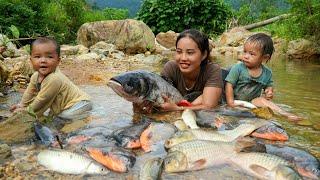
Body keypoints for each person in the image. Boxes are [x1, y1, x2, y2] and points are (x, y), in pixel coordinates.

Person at [10, 37, 92, 120]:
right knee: (55, 117)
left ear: (58, 61)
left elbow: (41, 100)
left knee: (64, 118)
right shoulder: (35, 76)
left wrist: (26, 111)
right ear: (31, 61)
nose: (43, 60)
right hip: (69, 105)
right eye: (38, 57)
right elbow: (30, 92)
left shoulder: (54, 78)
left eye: (49, 57)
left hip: (80, 104)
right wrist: (21, 105)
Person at [225, 33, 301, 121]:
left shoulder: (267, 73)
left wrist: (269, 91)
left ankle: (285, 114)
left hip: (253, 102)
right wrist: (230, 102)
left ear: (264, 58)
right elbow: (229, 84)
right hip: (235, 100)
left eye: (251, 54)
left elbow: (269, 86)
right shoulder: (238, 68)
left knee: (264, 101)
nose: (245, 56)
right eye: (245, 51)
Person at [160, 29, 223, 111]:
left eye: (190, 53)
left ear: (204, 55)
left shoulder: (213, 70)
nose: (183, 58)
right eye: (179, 52)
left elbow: (209, 107)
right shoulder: (170, 68)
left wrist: (177, 109)